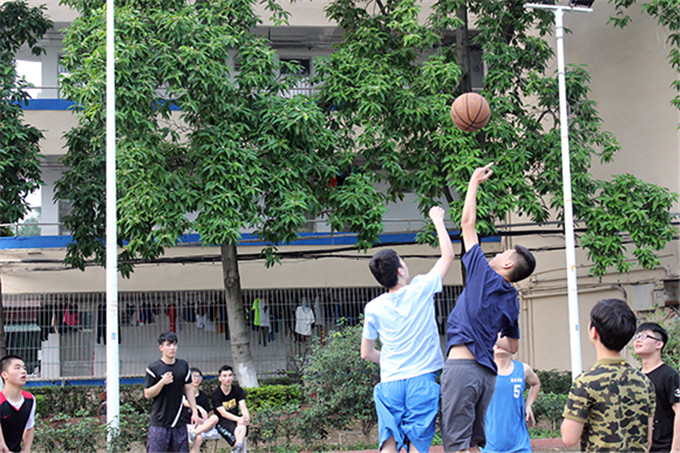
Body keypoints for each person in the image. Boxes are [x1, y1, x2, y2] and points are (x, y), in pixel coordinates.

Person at [440, 163, 536, 453]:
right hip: (487, 376)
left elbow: (467, 224)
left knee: (457, 446)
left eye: (504, 252)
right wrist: (490, 334)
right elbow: (513, 346)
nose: (497, 252)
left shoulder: (484, 274)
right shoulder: (511, 300)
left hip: (462, 369)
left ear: (507, 264)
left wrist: (473, 183)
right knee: (472, 445)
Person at [361, 205, 455, 453]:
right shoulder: (421, 288)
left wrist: (391, 358)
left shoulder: (373, 307)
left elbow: (366, 353)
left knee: (388, 443)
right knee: (417, 444)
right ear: (400, 270)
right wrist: (438, 220)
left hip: (390, 382)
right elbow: (448, 256)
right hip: (421, 381)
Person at [561, 298, 656, 452]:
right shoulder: (644, 382)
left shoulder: (586, 382)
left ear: (594, 332)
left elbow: (569, 438)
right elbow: (648, 440)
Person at [481, 336, 541, 453]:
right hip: (489, 446)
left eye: (505, 339)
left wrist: (529, 405)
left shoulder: (523, 369)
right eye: (497, 340)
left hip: (519, 445)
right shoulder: (483, 371)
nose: (500, 344)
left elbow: (535, 383)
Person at [144, 331, 199, 453]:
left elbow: (189, 389)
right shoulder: (153, 368)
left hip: (179, 422)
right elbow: (147, 394)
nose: (172, 348)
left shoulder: (183, 365)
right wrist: (162, 382)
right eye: (168, 345)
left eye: (174, 344)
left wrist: (194, 411)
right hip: (159, 423)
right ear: (161, 347)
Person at [634, 322, 680, 452]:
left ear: (659, 344)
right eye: (636, 336)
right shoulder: (636, 377)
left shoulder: (669, 375)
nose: (638, 340)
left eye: (644, 336)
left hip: (664, 447)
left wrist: (675, 449)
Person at [210, 365, 251, 453]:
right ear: (220, 378)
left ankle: (237, 448)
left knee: (242, 426)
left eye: (230, 375)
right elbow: (223, 413)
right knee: (240, 433)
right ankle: (238, 447)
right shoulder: (215, 394)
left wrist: (246, 417)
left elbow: (243, 407)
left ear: (233, 377)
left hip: (236, 420)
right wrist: (239, 419)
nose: (227, 378)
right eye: (224, 376)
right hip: (222, 422)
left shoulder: (238, 390)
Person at [0, 355, 35, 453]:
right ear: (4, 375)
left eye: (24, 368)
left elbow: (29, 427)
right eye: (17, 368)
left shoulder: (30, 399)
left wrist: (27, 449)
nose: (23, 371)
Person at [184, 368, 220, 453]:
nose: (196, 379)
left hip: (200, 426)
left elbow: (207, 413)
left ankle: (194, 433)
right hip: (187, 424)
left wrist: (205, 418)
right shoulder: (183, 392)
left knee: (215, 418)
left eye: (199, 376)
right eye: (194, 376)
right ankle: (194, 434)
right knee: (198, 438)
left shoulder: (203, 396)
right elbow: (183, 402)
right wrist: (198, 407)